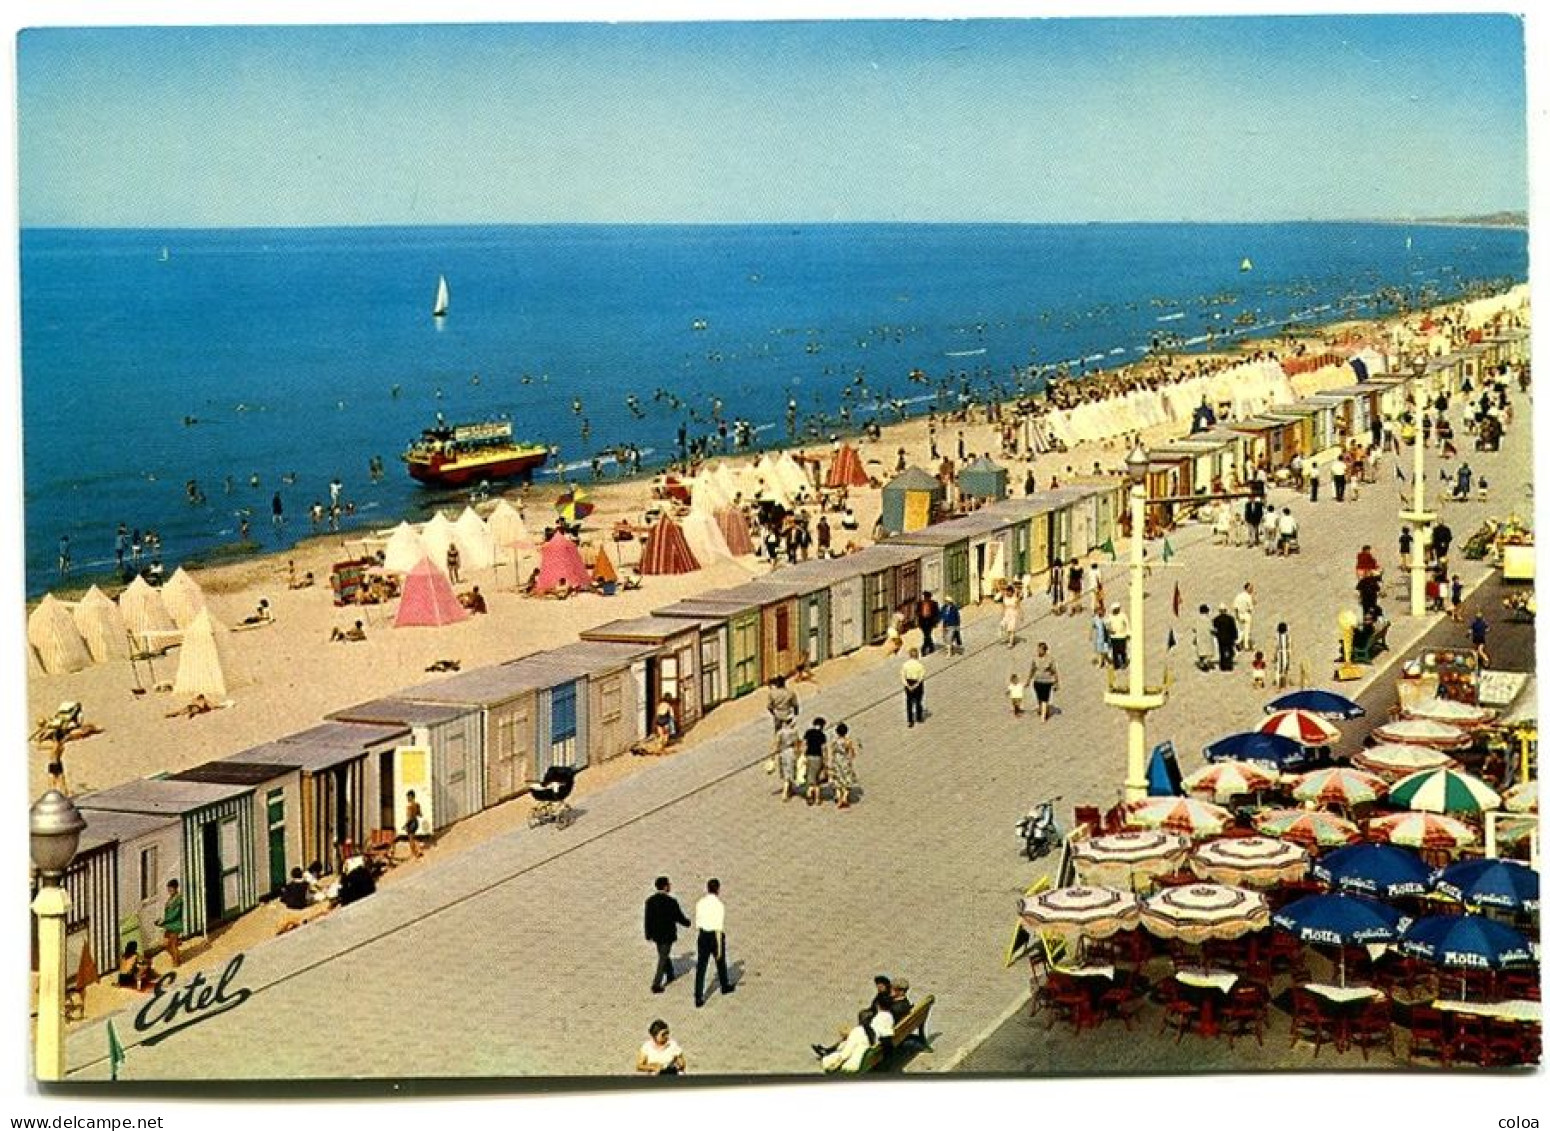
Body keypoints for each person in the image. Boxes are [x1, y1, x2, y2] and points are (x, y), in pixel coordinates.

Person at [644, 877, 692, 994]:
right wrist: (688, 923)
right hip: (667, 934)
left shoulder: (650, 901)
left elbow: (647, 919)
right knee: (663, 957)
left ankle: (670, 974)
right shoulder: (671, 902)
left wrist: (648, 934)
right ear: (665, 886)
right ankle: (656, 984)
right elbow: (679, 917)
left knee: (663, 954)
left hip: (656, 935)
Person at [693, 879, 734, 1008]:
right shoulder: (719, 905)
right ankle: (724, 985)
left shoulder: (700, 903)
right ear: (718, 889)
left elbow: (698, 922)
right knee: (721, 962)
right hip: (715, 935)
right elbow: (719, 925)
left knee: (701, 966)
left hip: (703, 935)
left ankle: (698, 996)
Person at [816, 1009, 893, 1073]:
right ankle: (828, 1051)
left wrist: (827, 1062)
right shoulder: (875, 1034)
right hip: (864, 1055)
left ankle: (828, 1052)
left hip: (851, 1066)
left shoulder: (859, 1031)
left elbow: (845, 1054)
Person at [828, 722, 859, 809]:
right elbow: (851, 753)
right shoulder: (847, 741)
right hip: (844, 760)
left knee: (837, 779)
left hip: (836, 761)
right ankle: (844, 798)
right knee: (847, 779)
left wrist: (831, 762)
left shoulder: (834, 741)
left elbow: (832, 751)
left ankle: (838, 796)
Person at [1028, 641, 1060, 721]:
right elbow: (1032, 669)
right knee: (1039, 698)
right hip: (1037, 681)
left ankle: (1043, 716)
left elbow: (1054, 671)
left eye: (1040, 649)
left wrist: (1056, 682)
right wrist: (1028, 680)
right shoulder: (1035, 658)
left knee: (1045, 698)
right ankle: (1042, 710)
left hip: (1046, 682)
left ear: (1045, 650)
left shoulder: (1050, 659)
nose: (1038, 651)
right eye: (1038, 649)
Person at [155, 879, 184, 967]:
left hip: (175, 925)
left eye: (171, 889)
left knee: (173, 944)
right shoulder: (171, 899)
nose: (169, 891)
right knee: (166, 944)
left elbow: (175, 914)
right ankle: (177, 958)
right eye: (169, 890)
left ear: (175, 888)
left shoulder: (178, 900)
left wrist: (164, 921)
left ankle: (176, 962)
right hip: (169, 925)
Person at [802, 716, 829, 806]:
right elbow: (824, 748)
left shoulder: (808, 732)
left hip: (809, 756)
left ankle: (809, 795)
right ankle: (817, 799)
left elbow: (804, 745)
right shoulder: (822, 735)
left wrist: (803, 756)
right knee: (817, 779)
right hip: (818, 757)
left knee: (810, 778)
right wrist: (826, 761)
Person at [773, 717, 802, 800]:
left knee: (785, 770)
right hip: (791, 752)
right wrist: (798, 754)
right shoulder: (794, 732)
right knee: (789, 772)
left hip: (782, 752)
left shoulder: (780, 732)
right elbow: (797, 743)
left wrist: (773, 756)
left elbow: (776, 744)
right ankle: (785, 792)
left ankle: (790, 789)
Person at [901, 647, 926, 727]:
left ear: (909, 655)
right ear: (917, 656)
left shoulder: (905, 665)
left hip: (908, 682)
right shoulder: (920, 665)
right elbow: (921, 677)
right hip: (917, 684)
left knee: (909, 703)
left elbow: (902, 676)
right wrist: (916, 685)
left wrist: (907, 685)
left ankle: (910, 721)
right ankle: (919, 717)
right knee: (918, 701)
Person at [1212, 604, 1239, 672]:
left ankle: (1223, 666)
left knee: (1222, 652)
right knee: (1230, 652)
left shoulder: (1216, 619)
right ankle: (1229, 665)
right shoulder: (1230, 619)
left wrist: (1217, 635)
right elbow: (1233, 629)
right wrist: (1235, 637)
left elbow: (1215, 629)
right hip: (1229, 638)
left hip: (1221, 638)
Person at [1232, 582, 1255, 651]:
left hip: (1239, 614)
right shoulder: (1248, 597)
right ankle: (1245, 645)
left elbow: (1235, 607)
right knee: (1246, 630)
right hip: (1246, 614)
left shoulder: (1238, 596)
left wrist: (1237, 615)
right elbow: (1250, 608)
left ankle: (1238, 642)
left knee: (1240, 630)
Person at [1106, 603, 1130, 670]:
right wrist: (1109, 630)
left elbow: (1127, 624)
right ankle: (1116, 665)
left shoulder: (1123, 615)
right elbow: (1107, 625)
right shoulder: (1110, 616)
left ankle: (1124, 663)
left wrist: (1128, 633)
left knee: (1122, 650)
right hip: (1114, 637)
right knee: (1115, 651)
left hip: (1122, 636)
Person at [916, 591, 940, 655]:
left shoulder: (934, 603)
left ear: (930, 597)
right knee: (927, 635)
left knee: (927, 634)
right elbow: (917, 612)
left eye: (927, 597)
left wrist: (936, 621)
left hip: (930, 621)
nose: (926, 598)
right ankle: (931, 647)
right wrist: (918, 620)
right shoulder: (920, 603)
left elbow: (936, 613)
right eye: (925, 597)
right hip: (923, 621)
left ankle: (924, 649)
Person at [1193, 603, 1215, 672]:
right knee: (1208, 651)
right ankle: (1206, 664)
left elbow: (1194, 629)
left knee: (1201, 651)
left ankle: (1202, 663)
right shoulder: (1208, 619)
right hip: (1207, 637)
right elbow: (1211, 629)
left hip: (1200, 637)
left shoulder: (1197, 619)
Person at [403, 790, 424, 859]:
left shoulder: (409, 806)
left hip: (411, 823)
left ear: (411, 796)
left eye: (408, 797)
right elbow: (420, 814)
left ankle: (415, 854)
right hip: (416, 822)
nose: (407, 798)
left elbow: (410, 817)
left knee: (411, 839)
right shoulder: (417, 804)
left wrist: (405, 825)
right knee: (413, 837)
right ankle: (419, 850)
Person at [1274, 622, 1292, 689]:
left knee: (1278, 670)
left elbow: (1276, 647)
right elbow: (1289, 646)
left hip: (1280, 653)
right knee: (1286, 669)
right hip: (1286, 652)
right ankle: (1285, 684)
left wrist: (1275, 655)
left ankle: (1278, 685)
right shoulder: (1288, 636)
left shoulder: (1277, 636)